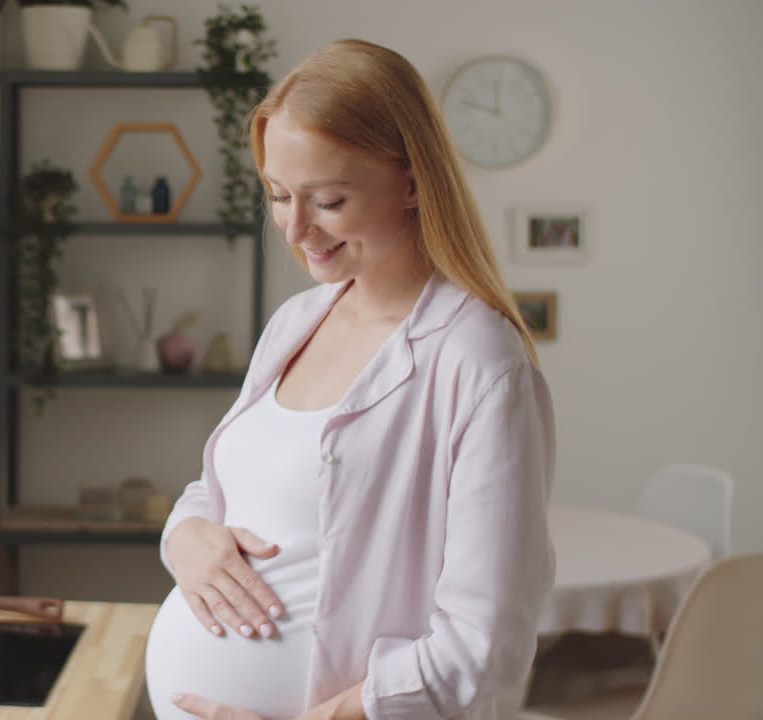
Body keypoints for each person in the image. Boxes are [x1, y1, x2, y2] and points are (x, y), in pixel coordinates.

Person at [144, 38, 555, 720]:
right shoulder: (296, 321)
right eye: (277, 195)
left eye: (328, 200)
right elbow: (234, 491)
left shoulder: (480, 363)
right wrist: (183, 537)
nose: (296, 228)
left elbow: (486, 641)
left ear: (413, 181)